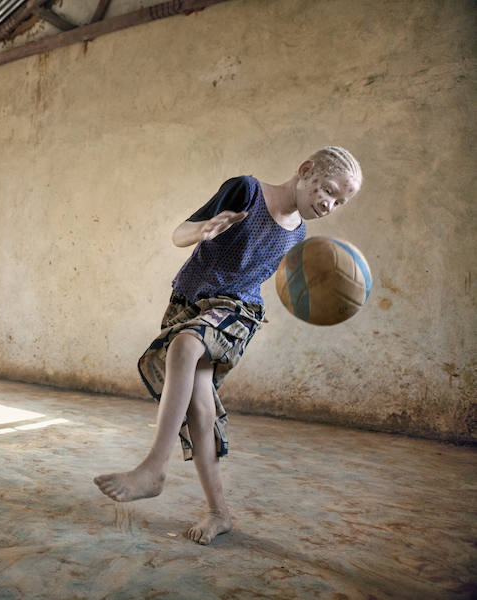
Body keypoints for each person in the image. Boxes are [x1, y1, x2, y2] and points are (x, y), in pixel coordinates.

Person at [93, 147, 363, 545]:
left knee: (183, 348)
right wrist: (204, 231)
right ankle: (219, 513)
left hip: (238, 309)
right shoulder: (247, 191)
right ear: (305, 171)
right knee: (200, 409)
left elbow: (264, 276)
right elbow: (179, 233)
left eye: (340, 202)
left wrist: (251, 312)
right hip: (188, 303)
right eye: (328, 191)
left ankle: (154, 467)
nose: (330, 205)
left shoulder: (300, 235)